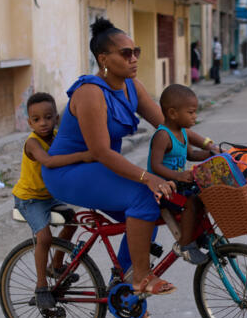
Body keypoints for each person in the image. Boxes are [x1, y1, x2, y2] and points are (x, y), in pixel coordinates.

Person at [42, 18, 178, 295]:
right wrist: (148, 177)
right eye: (126, 53)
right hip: (71, 171)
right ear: (103, 59)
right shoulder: (90, 93)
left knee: (153, 207)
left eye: (135, 51)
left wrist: (210, 148)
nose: (134, 58)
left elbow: (165, 126)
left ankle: (125, 281)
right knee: (143, 196)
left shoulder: (131, 86)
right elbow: (101, 152)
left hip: (100, 169)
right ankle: (140, 277)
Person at [12, 92, 93, 310]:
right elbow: (48, 161)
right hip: (30, 199)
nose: (43, 123)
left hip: (50, 195)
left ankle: (56, 265)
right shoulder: (32, 143)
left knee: (73, 220)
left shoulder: (58, 136)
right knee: (44, 237)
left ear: (56, 118)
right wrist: (83, 156)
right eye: (37, 119)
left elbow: (72, 151)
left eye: (48, 117)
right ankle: (40, 288)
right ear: (29, 123)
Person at [146, 84, 220, 265]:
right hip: (161, 188)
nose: (195, 117)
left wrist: (212, 154)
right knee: (190, 203)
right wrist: (177, 176)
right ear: (172, 113)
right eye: (191, 112)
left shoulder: (182, 133)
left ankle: (201, 235)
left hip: (176, 184)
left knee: (202, 195)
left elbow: (191, 154)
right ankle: (185, 244)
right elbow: (155, 166)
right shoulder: (163, 135)